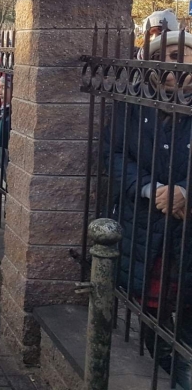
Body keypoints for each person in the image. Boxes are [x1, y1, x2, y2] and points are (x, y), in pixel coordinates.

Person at [107, 31, 192, 387]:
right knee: (151, 312)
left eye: (183, 55)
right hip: (145, 224)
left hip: (186, 228)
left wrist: (185, 192)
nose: (177, 64)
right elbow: (113, 154)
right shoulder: (133, 103)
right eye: (169, 57)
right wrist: (152, 189)